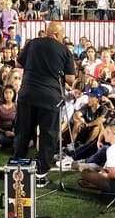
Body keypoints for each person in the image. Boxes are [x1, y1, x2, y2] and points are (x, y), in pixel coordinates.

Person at [13, 21, 76, 188]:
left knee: (23, 132)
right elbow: (70, 79)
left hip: (27, 95)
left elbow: (18, 63)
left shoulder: (32, 43)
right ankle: (40, 174)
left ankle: (18, 169)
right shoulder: (64, 50)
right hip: (50, 98)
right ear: (57, 35)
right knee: (48, 135)